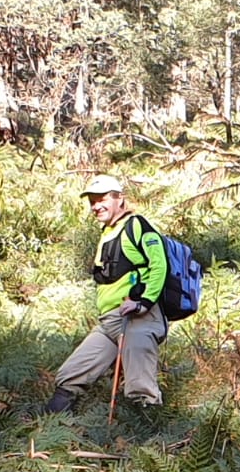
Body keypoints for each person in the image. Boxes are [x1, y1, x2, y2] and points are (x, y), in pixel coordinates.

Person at [42, 175, 170, 414]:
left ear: (119, 199)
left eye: (101, 199)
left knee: (141, 389)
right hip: (110, 321)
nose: (95, 206)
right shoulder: (107, 231)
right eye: (92, 201)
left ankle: (149, 443)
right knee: (71, 376)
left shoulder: (137, 225)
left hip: (138, 319)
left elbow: (159, 264)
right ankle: (48, 428)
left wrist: (143, 302)